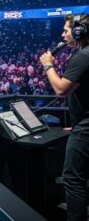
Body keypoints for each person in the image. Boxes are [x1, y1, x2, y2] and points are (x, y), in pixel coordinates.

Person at [40, 14, 89, 221]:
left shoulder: (83, 56)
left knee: (72, 179)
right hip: (82, 125)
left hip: (85, 129)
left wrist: (48, 65)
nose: (62, 34)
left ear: (79, 32)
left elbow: (61, 89)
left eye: (66, 30)